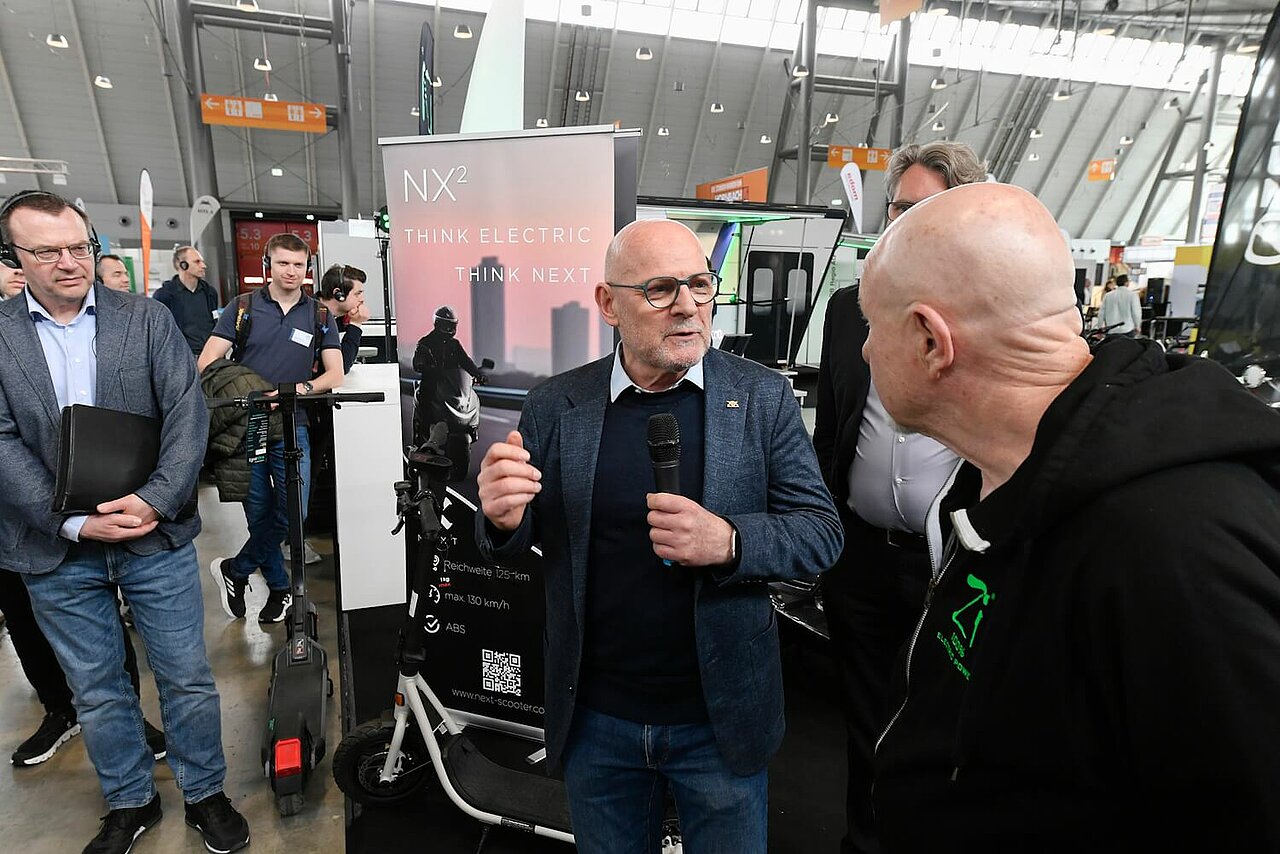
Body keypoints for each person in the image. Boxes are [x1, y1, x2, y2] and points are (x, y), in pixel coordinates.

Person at [862, 182, 1280, 850]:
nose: (862, 352)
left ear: (930, 342)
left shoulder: (1173, 547)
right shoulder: (1003, 481)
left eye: (870, 327)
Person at [475, 219, 843, 854]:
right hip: (596, 719)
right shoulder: (557, 404)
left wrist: (728, 540)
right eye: (661, 289)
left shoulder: (761, 398)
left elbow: (820, 533)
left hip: (719, 719)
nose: (689, 307)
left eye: (701, 285)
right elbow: (521, 531)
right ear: (608, 303)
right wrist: (502, 519)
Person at [0, 190, 248, 853]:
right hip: (55, 547)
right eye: (47, 251)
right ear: (16, 257)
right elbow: (1, 443)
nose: (68, 261)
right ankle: (130, 801)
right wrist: (71, 525)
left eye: (79, 246)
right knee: (98, 688)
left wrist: (156, 499)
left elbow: (186, 412)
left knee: (186, 674)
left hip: (152, 535)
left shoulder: (145, 319)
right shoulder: (0, 334)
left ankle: (206, 792)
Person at [813, 139, 985, 854]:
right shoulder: (850, 311)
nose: (904, 224)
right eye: (898, 208)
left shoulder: (987, 311)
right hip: (859, 558)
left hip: (955, 566)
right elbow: (832, 425)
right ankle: (865, 842)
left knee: (947, 724)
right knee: (864, 716)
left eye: (926, 210)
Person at [198, 232, 343, 624]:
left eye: (298, 265)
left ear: (307, 269)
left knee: (295, 511)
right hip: (250, 426)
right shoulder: (242, 307)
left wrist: (299, 389)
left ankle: (237, 568)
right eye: (283, 263)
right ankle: (279, 590)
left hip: (293, 423)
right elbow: (207, 362)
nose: (291, 271)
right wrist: (246, 389)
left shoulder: (319, 316)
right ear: (268, 266)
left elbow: (335, 373)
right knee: (259, 513)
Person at [412, 304, 485, 448]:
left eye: (452, 325)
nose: (449, 329)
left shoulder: (454, 344)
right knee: (425, 397)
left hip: (452, 385)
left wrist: (478, 374)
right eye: (446, 325)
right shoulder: (425, 343)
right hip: (433, 383)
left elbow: (465, 361)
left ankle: (472, 427)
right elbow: (417, 361)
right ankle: (424, 439)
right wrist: (424, 366)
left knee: (473, 398)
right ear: (437, 324)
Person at [155, 246, 218, 356]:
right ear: (183, 265)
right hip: (181, 358)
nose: (203, 266)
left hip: (210, 356)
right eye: (197, 262)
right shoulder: (164, 295)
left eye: (202, 261)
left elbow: (214, 321)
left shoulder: (210, 292)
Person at [317, 263, 371, 374]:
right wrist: (355, 324)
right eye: (357, 294)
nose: (362, 299)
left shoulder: (319, 312)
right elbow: (340, 367)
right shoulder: (316, 319)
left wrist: (348, 321)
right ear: (338, 294)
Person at [1099, 272, 1143, 336]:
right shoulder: (1133, 295)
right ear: (1126, 283)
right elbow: (1136, 312)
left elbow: (1101, 313)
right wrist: (1138, 326)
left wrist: (1100, 327)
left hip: (1111, 330)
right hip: (1127, 330)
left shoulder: (1107, 295)